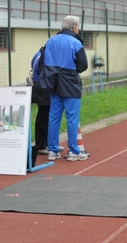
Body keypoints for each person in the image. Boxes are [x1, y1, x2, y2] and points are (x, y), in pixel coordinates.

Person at [39, 15, 88, 162]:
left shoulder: (50, 41)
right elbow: (83, 65)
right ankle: (73, 150)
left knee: (54, 117)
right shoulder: (75, 42)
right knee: (72, 118)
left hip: (53, 83)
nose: (79, 29)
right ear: (74, 27)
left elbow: (41, 61)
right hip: (70, 83)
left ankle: (52, 151)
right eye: (78, 26)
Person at [29, 48, 64, 155]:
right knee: (44, 116)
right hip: (44, 88)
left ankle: (48, 143)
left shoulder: (38, 55)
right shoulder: (43, 57)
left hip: (41, 87)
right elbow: (46, 73)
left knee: (46, 115)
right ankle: (41, 144)